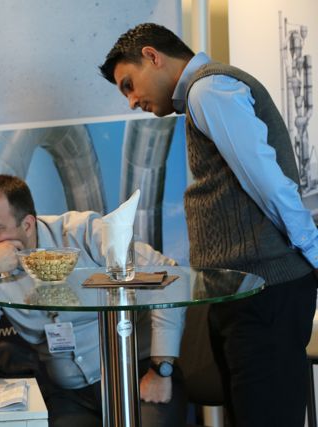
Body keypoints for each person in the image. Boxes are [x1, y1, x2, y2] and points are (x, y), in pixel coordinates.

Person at [100, 22, 318, 426]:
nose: (131, 101)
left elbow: (268, 182)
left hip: (265, 290)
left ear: (152, 56)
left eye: (129, 84)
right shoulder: (203, 94)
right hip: (245, 290)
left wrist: (314, 252)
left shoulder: (209, 90)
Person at [0, 174, 187, 427]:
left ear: (27, 224)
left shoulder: (84, 232)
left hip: (138, 375)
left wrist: (161, 368)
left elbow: (169, 276)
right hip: (66, 395)